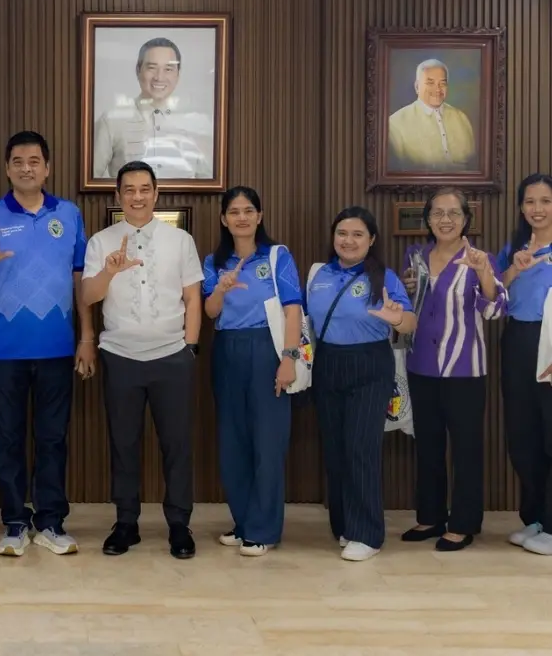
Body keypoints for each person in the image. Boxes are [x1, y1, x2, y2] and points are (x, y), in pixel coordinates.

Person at [0, 130, 95, 557]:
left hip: (57, 347)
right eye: (18, 161)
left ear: (47, 167)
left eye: (34, 161)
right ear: (7, 168)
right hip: (4, 352)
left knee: (53, 438)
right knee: (9, 438)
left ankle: (51, 522)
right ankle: (15, 522)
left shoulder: (69, 214)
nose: (26, 168)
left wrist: (86, 336)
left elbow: (80, 279)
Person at [82, 161, 201, 559]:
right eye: (129, 189)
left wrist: (191, 348)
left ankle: (179, 525)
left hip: (172, 356)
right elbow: (88, 297)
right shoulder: (101, 241)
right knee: (123, 444)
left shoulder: (180, 240)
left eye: (144, 188)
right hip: (120, 357)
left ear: (156, 193)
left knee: (177, 445)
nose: (137, 196)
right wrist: (108, 273)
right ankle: (126, 523)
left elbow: (193, 298)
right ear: (118, 195)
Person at [307, 206, 416, 561]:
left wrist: (396, 318)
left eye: (357, 234)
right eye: (342, 233)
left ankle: (367, 534)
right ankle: (344, 526)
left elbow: (409, 322)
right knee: (335, 449)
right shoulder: (320, 274)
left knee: (361, 448)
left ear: (371, 240)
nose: (348, 240)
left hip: (370, 364)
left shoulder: (384, 277)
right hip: (328, 363)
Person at [400, 188, 505, 551]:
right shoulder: (415, 256)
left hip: (465, 369)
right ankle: (430, 517)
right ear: (427, 219)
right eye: (438, 213)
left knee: (466, 449)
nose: (445, 220)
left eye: (454, 213)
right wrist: (407, 289)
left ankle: (463, 523)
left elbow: (494, 310)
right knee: (428, 445)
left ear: (466, 219)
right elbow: (406, 305)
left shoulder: (479, 258)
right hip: (421, 365)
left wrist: (484, 274)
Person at [202, 186, 302, 557]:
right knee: (233, 441)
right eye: (234, 211)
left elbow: (293, 309)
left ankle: (264, 529)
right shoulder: (213, 262)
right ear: (223, 219)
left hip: (268, 348)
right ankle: (244, 523)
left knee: (267, 442)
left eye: (248, 210)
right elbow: (210, 312)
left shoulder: (277, 256)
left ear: (259, 216)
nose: (241, 217)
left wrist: (288, 358)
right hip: (227, 349)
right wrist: (220, 290)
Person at [496, 173, 552, 555]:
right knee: (523, 435)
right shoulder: (513, 248)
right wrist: (516, 267)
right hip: (518, 339)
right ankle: (534, 517)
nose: (537, 209)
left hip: (550, 341)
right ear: (520, 207)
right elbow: (493, 294)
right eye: (530, 201)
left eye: (545, 201)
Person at [93, 37, 213, 180]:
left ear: (178, 74)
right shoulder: (111, 120)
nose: (159, 77)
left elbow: (209, 183)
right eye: (151, 68)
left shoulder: (195, 123)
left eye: (168, 69)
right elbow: (89, 179)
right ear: (138, 70)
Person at [387, 58, 477, 171]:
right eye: (430, 83)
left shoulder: (461, 118)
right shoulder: (395, 123)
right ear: (417, 87)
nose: (437, 89)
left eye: (442, 83)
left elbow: (472, 165)